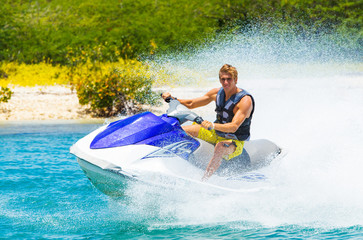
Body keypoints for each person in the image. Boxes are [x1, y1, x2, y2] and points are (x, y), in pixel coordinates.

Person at [162, 64, 254, 180]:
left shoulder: (245, 100)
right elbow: (192, 103)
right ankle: (166, 162)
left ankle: (204, 180)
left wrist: (212, 125)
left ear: (236, 79)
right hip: (215, 132)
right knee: (179, 131)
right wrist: (172, 99)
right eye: (223, 79)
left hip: (234, 139)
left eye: (229, 79)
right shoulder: (217, 93)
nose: (225, 83)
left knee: (220, 147)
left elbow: (234, 126)